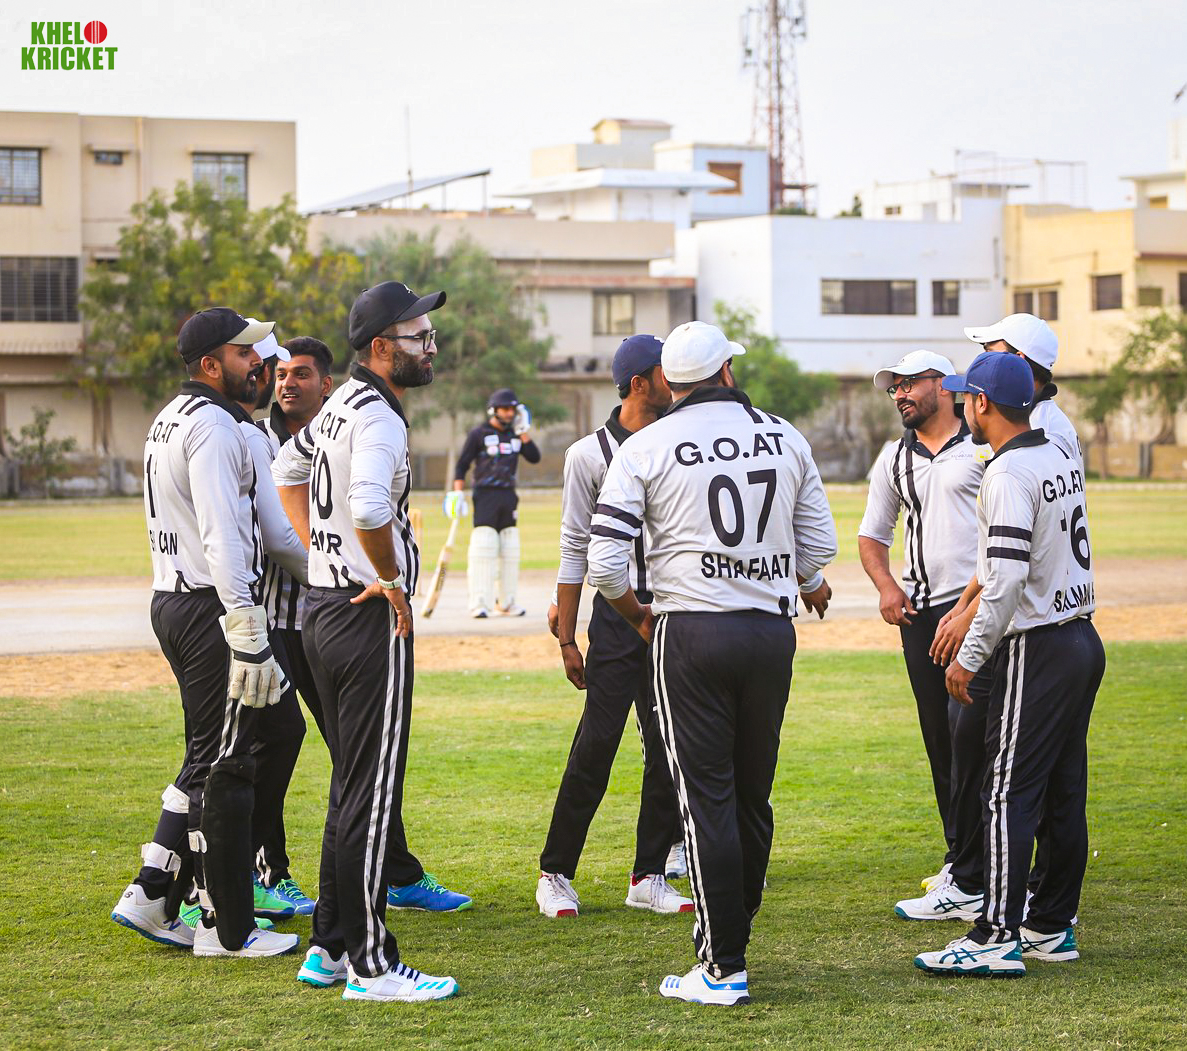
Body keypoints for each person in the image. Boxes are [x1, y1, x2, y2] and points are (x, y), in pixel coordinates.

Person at [587, 320, 837, 1006]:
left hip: (690, 631)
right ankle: (735, 933)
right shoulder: (784, 434)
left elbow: (605, 563)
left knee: (705, 801)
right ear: (727, 370)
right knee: (752, 794)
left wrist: (638, 615)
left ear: (669, 381)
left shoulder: (646, 444)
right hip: (769, 630)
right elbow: (818, 548)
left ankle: (723, 962)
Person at [272, 281, 460, 1002]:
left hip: (323, 607)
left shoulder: (340, 403)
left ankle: (328, 945)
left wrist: (323, 552)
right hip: (363, 616)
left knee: (351, 787)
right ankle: (371, 965)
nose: (431, 346)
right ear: (382, 346)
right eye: (419, 337)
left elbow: (288, 471)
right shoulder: (376, 415)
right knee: (372, 793)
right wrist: (388, 577)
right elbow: (370, 506)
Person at [110, 307, 304, 959]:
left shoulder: (175, 415)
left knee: (267, 731)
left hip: (178, 601)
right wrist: (246, 627)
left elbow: (265, 535)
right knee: (221, 762)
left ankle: (154, 890)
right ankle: (222, 924)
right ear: (210, 364)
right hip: (209, 607)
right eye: (245, 353)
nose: (260, 364)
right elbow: (225, 535)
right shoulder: (218, 427)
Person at [914, 351, 1105, 977]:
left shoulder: (1006, 471)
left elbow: (1004, 582)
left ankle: (995, 936)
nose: (963, 406)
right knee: (1063, 791)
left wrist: (969, 659)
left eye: (966, 397)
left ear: (982, 404)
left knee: (1005, 792)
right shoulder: (1058, 453)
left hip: (1040, 645)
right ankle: (1050, 925)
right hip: (1081, 637)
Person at [537, 335, 690, 919]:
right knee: (597, 743)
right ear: (639, 383)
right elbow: (574, 545)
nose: (674, 379)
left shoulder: (680, 442)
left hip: (674, 612)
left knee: (668, 746)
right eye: (664, 371)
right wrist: (567, 638)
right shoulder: (587, 455)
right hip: (618, 617)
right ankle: (555, 873)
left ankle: (649, 874)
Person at [856, 350, 992, 917]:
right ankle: (961, 860)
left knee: (976, 739)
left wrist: (974, 608)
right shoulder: (894, 457)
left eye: (910, 383)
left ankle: (987, 867)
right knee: (941, 741)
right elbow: (871, 536)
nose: (900, 395)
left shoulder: (983, 445)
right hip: (922, 617)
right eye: (895, 387)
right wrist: (888, 587)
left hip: (979, 610)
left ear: (943, 384)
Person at [223, 329, 315, 920]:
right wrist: (339, 577)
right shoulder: (255, 435)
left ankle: (392, 869)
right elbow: (276, 536)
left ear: (325, 383)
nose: (283, 382)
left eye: (297, 373)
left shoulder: (338, 435)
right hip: (274, 618)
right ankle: (266, 872)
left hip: (322, 618)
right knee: (267, 740)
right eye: (278, 373)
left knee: (353, 745)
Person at [451, 388, 541, 617]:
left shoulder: (516, 434)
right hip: (485, 495)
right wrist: (457, 494)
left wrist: (523, 431)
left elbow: (534, 457)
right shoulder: (479, 434)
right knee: (484, 545)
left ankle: (507, 603)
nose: (509, 413)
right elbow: (462, 465)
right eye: (505, 409)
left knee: (510, 547)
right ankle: (479, 603)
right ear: (494, 410)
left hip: (508, 495)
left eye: (512, 409)